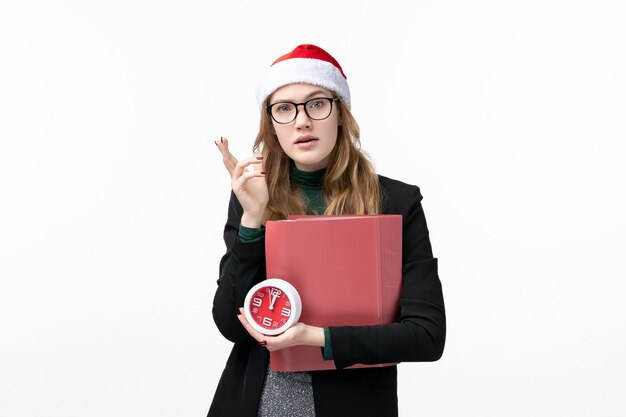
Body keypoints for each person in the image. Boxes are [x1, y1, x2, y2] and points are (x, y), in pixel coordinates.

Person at [208, 44, 446, 417]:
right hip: (255, 403)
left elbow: (426, 336)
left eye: (317, 103)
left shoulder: (397, 203)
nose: (301, 121)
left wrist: (316, 338)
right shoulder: (253, 196)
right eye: (284, 109)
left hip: (352, 403)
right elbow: (230, 324)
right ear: (271, 125)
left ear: (339, 113)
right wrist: (252, 219)